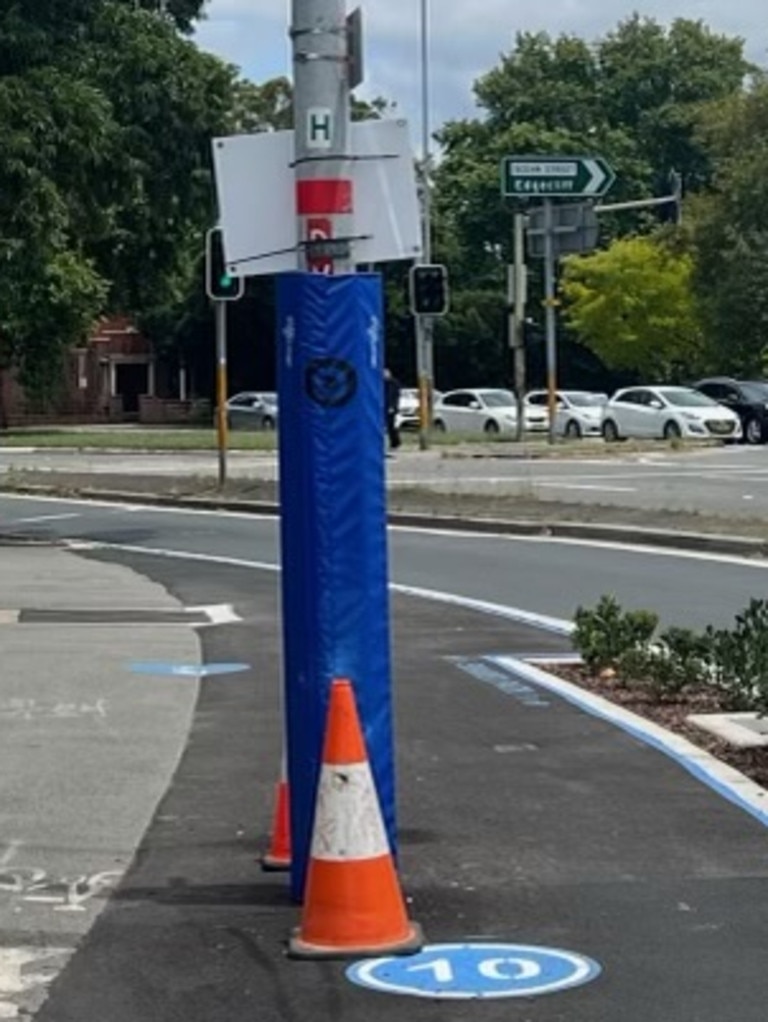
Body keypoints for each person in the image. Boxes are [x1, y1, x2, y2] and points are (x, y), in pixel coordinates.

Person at [383, 368, 402, 454]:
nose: (384, 375)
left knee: (391, 426)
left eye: (386, 373)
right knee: (387, 426)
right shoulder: (383, 384)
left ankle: (395, 443)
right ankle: (392, 443)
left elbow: (395, 396)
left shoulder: (394, 383)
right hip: (384, 407)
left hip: (391, 407)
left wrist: (393, 407)